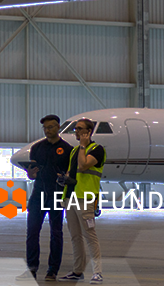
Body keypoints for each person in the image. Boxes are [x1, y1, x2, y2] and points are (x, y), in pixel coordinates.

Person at [17, 114, 72, 282]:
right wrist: (30, 173)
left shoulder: (68, 149)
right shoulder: (37, 148)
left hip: (56, 194)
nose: (47, 131)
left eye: (50, 127)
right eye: (45, 128)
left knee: (56, 233)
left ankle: (52, 270)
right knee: (32, 232)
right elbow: (32, 174)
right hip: (38, 194)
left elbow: (70, 175)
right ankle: (32, 268)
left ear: (58, 127)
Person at [59, 118, 106, 284]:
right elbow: (73, 172)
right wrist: (64, 179)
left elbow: (84, 165)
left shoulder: (97, 150)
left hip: (85, 198)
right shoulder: (74, 151)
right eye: (76, 129)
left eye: (79, 129)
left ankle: (97, 272)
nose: (76, 132)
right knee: (75, 236)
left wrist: (84, 146)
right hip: (70, 197)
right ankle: (77, 270)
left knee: (89, 235)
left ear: (88, 132)